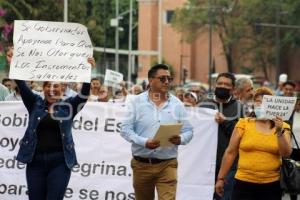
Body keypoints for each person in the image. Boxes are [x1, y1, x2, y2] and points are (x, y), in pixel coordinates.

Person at [13, 57, 96, 200]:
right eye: (48, 85)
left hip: (60, 162)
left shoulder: (69, 106)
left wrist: (87, 72)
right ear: (43, 88)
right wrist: (14, 63)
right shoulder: (34, 103)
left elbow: (83, 95)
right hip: (35, 162)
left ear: (62, 88)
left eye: (55, 86)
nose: (52, 89)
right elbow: (21, 84)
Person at [121, 64, 193, 200]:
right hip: (141, 165)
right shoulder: (136, 102)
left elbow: (188, 131)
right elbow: (125, 129)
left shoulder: (177, 104)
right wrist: (144, 142)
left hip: (167, 164)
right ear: (150, 80)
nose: (167, 82)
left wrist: (181, 139)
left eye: (169, 78)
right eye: (162, 78)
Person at [215, 87, 292, 200]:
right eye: (257, 101)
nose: (260, 105)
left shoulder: (283, 126)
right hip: (243, 183)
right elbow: (230, 152)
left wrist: (279, 131)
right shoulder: (243, 124)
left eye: (264, 102)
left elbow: (286, 153)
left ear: (272, 105)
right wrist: (221, 178)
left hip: (271, 185)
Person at [199, 72, 244, 200]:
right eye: (220, 83)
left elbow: (240, 135)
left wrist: (225, 122)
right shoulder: (204, 105)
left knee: (223, 196)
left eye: (226, 84)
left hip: (229, 164)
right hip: (205, 163)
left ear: (233, 89)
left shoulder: (239, 107)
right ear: (215, 85)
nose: (222, 86)